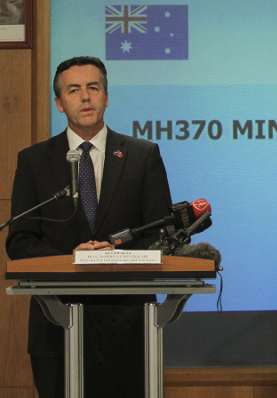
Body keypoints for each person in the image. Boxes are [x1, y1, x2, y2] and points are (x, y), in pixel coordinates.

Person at [6, 56, 173, 398]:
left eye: (93, 88)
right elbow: (20, 241)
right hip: (57, 323)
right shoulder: (33, 160)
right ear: (59, 103)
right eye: (74, 90)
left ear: (106, 97)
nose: (85, 96)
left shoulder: (142, 155)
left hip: (128, 324)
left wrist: (120, 255)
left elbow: (162, 234)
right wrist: (71, 258)